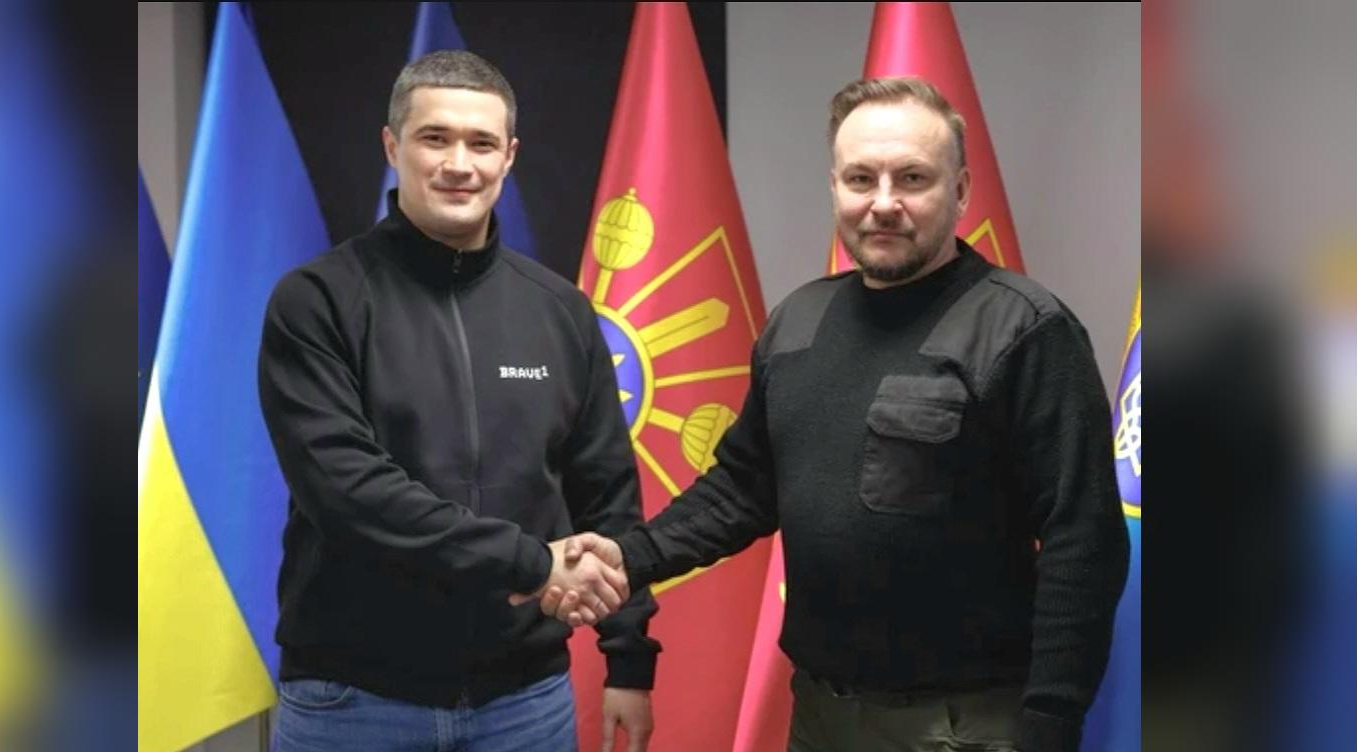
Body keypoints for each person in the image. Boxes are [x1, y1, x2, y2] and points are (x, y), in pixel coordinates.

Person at [542, 76, 1129, 752]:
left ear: (962, 190)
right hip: (820, 716)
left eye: (913, 178)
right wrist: (626, 557)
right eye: (860, 179)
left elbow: (1083, 539)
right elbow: (741, 490)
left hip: (967, 725)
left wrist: (1053, 722)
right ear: (835, 187)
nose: (883, 203)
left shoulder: (1025, 331)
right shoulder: (798, 322)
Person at [258, 49, 659, 752]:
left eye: (481, 143)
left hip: (525, 703)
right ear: (393, 146)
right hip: (353, 701)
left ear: (509, 156)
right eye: (434, 138)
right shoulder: (317, 302)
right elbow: (350, 494)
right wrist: (531, 563)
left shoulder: (559, 310)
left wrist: (627, 656)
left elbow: (606, 490)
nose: (458, 164)